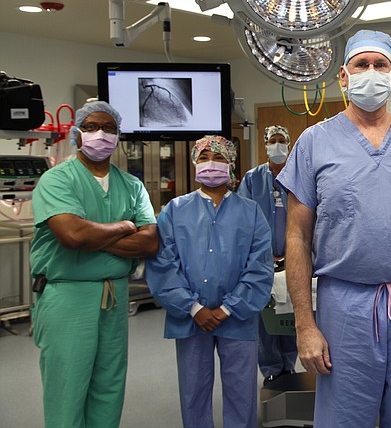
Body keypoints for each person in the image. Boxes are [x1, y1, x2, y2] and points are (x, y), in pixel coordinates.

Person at [278, 29, 391, 427]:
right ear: (343, 76)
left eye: (380, 65)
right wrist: (305, 324)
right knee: (346, 417)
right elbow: (297, 237)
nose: (371, 72)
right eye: (362, 64)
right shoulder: (314, 142)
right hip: (346, 307)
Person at [30, 100, 159, 428]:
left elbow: (150, 242)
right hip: (67, 296)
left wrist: (95, 236)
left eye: (109, 128)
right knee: (68, 387)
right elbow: (73, 236)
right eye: (90, 127)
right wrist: (123, 226)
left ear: (119, 136)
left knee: (109, 385)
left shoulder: (131, 185)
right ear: (76, 135)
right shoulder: (56, 180)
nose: (100, 134)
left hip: (114, 297)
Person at [146, 135, 273, 428]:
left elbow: (260, 266)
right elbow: (163, 263)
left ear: (230, 165)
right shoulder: (175, 210)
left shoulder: (251, 211)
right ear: (194, 163)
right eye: (203, 158)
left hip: (238, 318)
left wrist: (228, 308)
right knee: (193, 392)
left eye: (218, 158)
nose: (210, 164)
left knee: (242, 394)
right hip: (190, 318)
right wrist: (193, 308)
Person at [237, 124, 298, 385]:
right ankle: (272, 368)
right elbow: (242, 219)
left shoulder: (298, 177)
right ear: (265, 145)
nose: (277, 145)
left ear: (289, 144)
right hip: (262, 262)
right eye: (272, 140)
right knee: (266, 316)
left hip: (294, 260)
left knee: (290, 314)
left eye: (281, 140)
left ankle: (289, 365)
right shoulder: (252, 179)